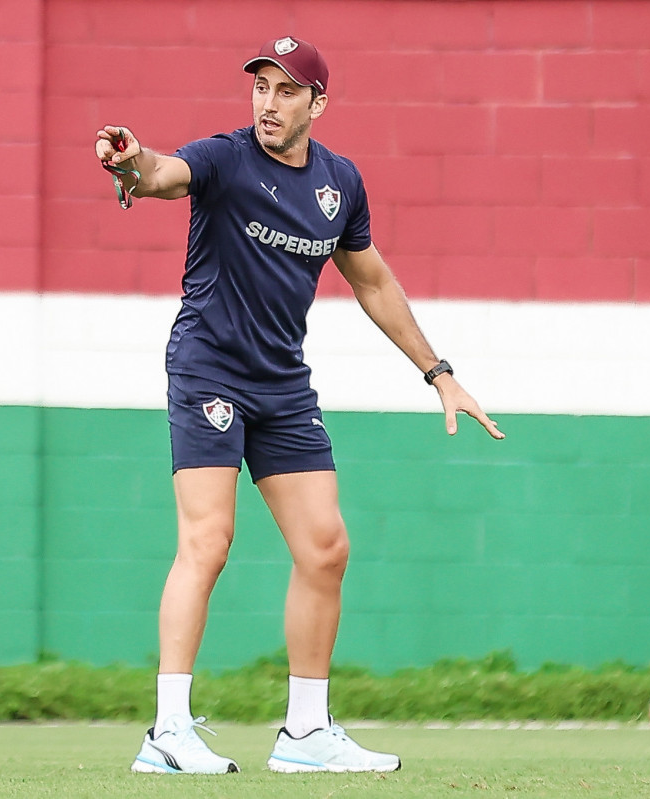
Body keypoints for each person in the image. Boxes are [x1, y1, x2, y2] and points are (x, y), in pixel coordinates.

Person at [94, 35, 504, 775]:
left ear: (317, 102)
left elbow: (373, 281)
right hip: (209, 368)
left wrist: (439, 372)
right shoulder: (224, 158)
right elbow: (160, 171)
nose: (268, 102)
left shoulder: (339, 184)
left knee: (326, 547)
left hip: (281, 383)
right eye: (260, 87)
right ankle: (166, 730)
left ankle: (307, 734)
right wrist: (131, 162)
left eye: (286, 90)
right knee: (208, 541)